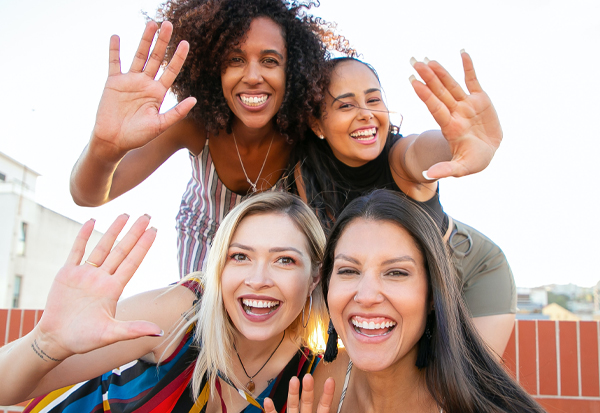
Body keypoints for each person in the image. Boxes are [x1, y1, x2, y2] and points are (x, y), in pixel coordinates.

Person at [69, 0, 351, 277]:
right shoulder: (194, 126)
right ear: (214, 68)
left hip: (272, 249)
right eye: (235, 60)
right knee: (201, 317)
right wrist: (103, 146)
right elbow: (88, 195)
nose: (253, 76)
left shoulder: (302, 135)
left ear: (291, 72)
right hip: (203, 242)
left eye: (269, 61)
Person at [0, 192, 328, 412]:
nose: (258, 279)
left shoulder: (316, 376)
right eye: (239, 256)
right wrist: (46, 342)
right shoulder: (182, 312)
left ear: (315, 276)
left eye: (284, 260)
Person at [293, 54, 515, 356]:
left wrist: (456, 145)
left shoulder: (400, 157)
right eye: (346, 105)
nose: (366, 114)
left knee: (463, 392)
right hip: (403, 286)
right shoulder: (308, 173)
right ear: (317, 123)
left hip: (470, 270)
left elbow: (422, 150)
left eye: (373, 100)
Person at [311, 190, 544, 413]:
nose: (367, 296)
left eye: (396, 273)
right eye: (349, 271)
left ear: (433, 294)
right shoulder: (327, 380)